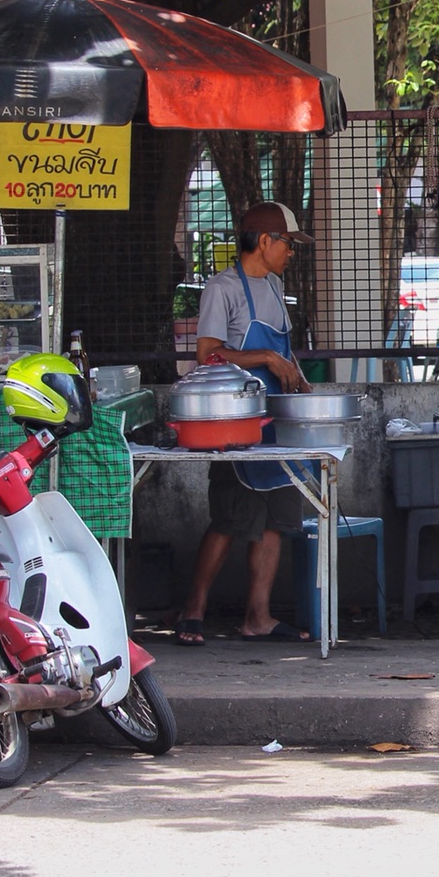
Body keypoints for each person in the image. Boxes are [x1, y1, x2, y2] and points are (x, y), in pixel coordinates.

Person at [175, 200, 313, 646]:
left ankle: (259, 616)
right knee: (230, 520)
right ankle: (192, 610)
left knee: (275, 518)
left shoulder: (273, 287)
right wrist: (266, 357)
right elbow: (207, 353)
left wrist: (295, 371)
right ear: (266, 241)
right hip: (234, 423)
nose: (292, 253)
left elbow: (282, 348)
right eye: (288, 244)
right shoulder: (223, 288)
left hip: (276, 420)